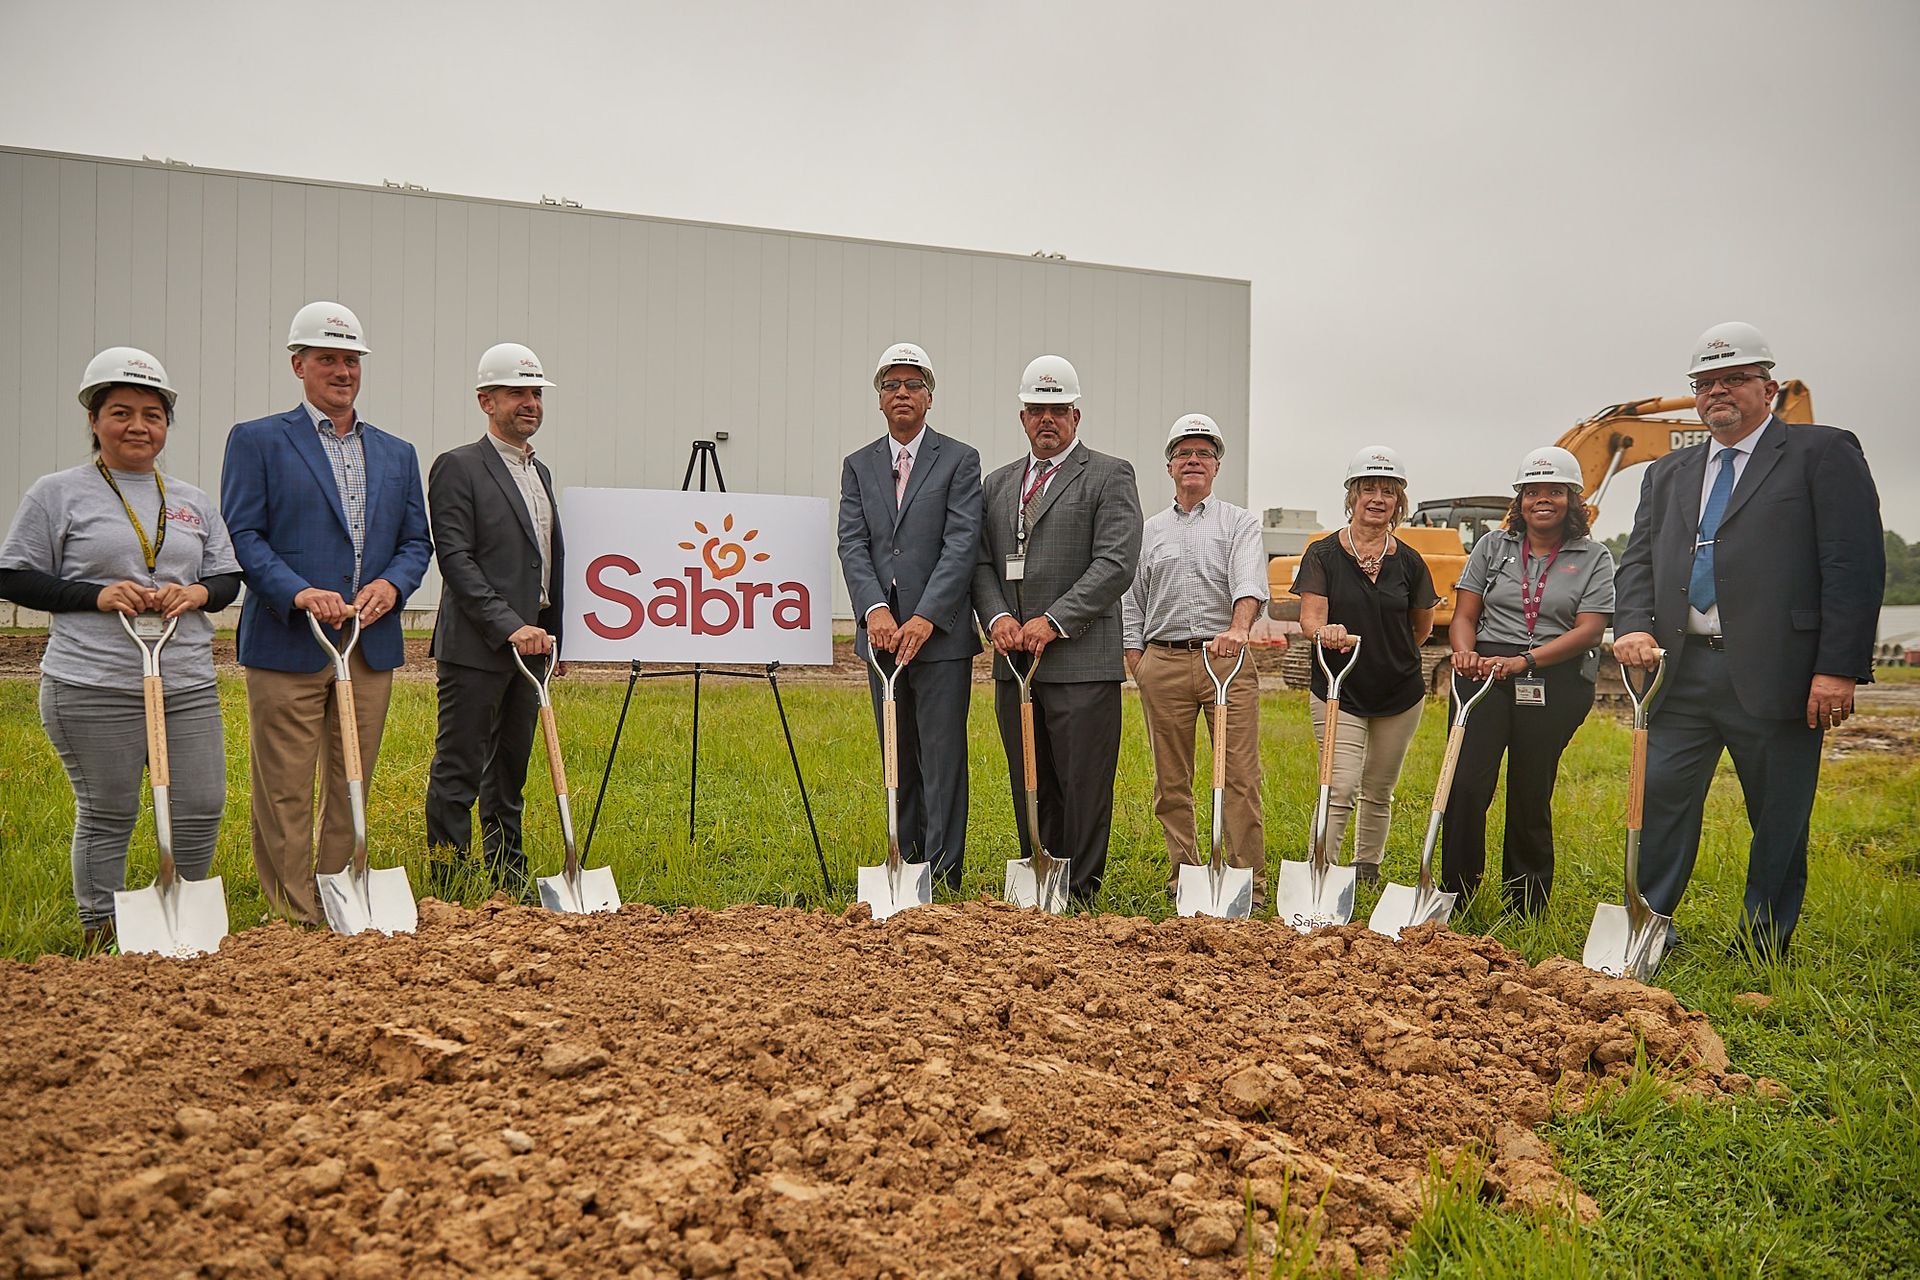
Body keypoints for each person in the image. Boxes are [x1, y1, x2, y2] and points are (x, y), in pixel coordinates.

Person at [1614, 322, 1882, 959]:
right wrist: (1632, 624)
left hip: (1780, 674)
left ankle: (1763, 945)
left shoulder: (1822, 453)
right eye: (1705, 384)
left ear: (1769, 388)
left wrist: (1837, 667)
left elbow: (1852, 565)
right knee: (1659, 808)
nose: (1718, 393)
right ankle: (1649, 929)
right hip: (1680, 675)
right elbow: (1638, 562)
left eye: (1734, 379)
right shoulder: (1668, 472)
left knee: (1779, 818)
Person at [0, 348, 242, 951]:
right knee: (108, 812)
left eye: (152, 414)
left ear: (166, 425)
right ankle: (99, 931)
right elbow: (13, 576)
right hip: (93, 683)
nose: (138, 425)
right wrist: (96, 594)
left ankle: (183, 925)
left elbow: (228, 578)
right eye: (121, 412)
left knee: (202, 805)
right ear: (93, 419)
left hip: (184, 680)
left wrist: (198, 592)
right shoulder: (57, 494)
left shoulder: (189, 500)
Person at [220, 301, 432, 926]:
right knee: (285, 786)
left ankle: (340, 901)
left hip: (367, 644)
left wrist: (393, 587)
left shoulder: (397, 453)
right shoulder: (258, 440)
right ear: (299, 365)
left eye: (350, 360)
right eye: (327, 359)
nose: (342, 371)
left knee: (351, 782)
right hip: (290, 641)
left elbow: (416, 542)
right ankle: (293, 917)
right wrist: (298, 593)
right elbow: (245, 536)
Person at [971, 355, 1142, 906]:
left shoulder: (1109, 475)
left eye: (1058, 411)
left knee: (1083, 782)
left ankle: (1083, 888)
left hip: (1080, 661)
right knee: (1030, 777)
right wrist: (998, 618)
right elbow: (979, 563)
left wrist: (1054, 621)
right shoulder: (997, 485)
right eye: (1036, 410)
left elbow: (1115, 562)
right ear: (1022, 417)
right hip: (1015, 662)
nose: (1047, 420)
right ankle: (1041, 877)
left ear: (1076, 415)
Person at [1441, 446, 1614, 915]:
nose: (1544, 500)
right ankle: (1456, 895)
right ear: (1518, 501)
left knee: (1531, 789)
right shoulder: (1491, 548)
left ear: (1572, 499)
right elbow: (1465, 613)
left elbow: (1590, 629)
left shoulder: (1593, 556)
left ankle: (1526, 906)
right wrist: (1464, 653)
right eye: (1532, 491)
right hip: (1484, 673)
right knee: (1467, 786)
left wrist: (1528, 661)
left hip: (1553, 677)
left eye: (1555, 491)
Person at [836, 342, 983, 892]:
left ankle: (943, 875)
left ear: (929, 397)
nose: (902, 393)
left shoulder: (959, 459)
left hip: (939, 638)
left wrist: (926, 616)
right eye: (891, 385)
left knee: (943, 757)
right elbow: (853, 542)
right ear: (879, 399)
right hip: (881, 638)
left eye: (913, 384)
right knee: (897, 754)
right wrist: (874, 609)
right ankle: (907, 866)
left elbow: (962, 541)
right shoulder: (858, 464)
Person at [423, 343, 568, 900]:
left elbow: (541, 560)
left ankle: (506, 880)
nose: (529, 403)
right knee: (460, 769)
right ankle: (451, 886)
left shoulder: (541, 472)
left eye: (535, 394)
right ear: (486, 400)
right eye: (517, 393)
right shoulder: (459, 466)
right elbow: (455, 558)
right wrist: (507, 624)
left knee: (509, 773)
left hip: (532, 649)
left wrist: (551, 632)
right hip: (479, 646)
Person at [1122, 414, 1270, 905]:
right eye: (1184, 454)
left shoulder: (1239, 522)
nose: (1193, 461)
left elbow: (1249, 582)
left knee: (1240, 776)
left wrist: (1238, 629)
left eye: (1203, 454)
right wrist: (1135, 658)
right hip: (1162, 663)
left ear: (1216, 466)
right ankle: (1185, 874)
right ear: (1169, 467)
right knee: (1172, 779)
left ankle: (1247, 877)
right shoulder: (1150, 531)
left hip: (1223, 660)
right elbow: (1131, 599)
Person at [1290, 446, 1439, 885]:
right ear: (1352, 496)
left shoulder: (1410, 562)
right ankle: (1325, 871)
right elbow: (1310, 618)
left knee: (1378, 789)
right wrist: (1325, 633)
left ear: (1399, 503)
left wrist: (1389, 657)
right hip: (1340, 687)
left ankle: (1367, 868)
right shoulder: (1322, 554)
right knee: (1339, 785)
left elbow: (1422, 627)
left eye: (1387, 492)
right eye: (1368, 489)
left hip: (1400, 692)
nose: (1377, 498)